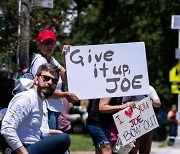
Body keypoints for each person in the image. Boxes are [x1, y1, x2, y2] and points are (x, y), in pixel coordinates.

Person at [1, 63, 71, 154]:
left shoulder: (41, 100)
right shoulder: (25, 98)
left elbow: (32, 129)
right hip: (22, 149)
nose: (50, 82)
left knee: (62, 138)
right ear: (37, 79)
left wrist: (51, 132)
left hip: (33, 145)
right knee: (64, 139)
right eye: (46, 78)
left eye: (54, 81)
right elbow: (7, 129)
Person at [30, 29, 78, 129]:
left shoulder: (51, 60)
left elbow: (66, 79)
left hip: (52, 108)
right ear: (39, 45)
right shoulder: (40, 61)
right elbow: (44, 89)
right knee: (50, 141)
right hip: (44, 109)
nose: (50, 46)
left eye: (52, 43)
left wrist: (66, 59)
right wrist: (65, 94)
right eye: (46, 43)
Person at [122, 85, 161, 154]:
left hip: (147, 125)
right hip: (132, 125)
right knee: (132, 150)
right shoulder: (128, 88)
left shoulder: (149, 88)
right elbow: (122, 103)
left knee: (145, 150)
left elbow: (158, 103)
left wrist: (150, 102)